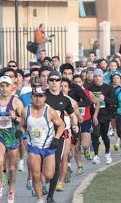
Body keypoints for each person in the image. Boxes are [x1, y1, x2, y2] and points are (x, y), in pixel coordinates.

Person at [22, 85, 65, 203]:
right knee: (35, 175)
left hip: (48, 147)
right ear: (31, 97)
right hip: (33, 146)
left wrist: (56, 138)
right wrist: (19, 132)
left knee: (49, 175)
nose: (38, 99)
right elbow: (23, 125)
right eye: (35, 96)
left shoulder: (49, 111)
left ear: (45, 98)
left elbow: (61, 125)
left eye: (40, 96)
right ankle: (40, 199)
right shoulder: (26, 110)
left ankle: (42, 170)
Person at [44, 71, 79, 203]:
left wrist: (75, 125)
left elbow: (72, 115)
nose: (54, 82)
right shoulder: (43, 96)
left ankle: (50, 196)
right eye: (51, 80)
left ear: (60, 82)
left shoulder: (65, 99)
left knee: (56, 164)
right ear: (48, 81)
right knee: (42, 164)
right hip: (42, 135)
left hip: (59, 136)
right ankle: (41, 182)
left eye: (57, 80)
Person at [89, 68, 117, 165]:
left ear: (102, 77)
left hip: (105, 115)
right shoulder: (90, 88)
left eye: (99, 76)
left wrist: (105, 98)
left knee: (104, 135)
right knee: (95, 134)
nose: (97, 78)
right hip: (94, 116)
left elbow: (114, 102)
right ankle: (96, 155)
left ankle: (107, 153)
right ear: (93, 77)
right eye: (95, 76)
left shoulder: (108, 88)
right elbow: (87, 102)